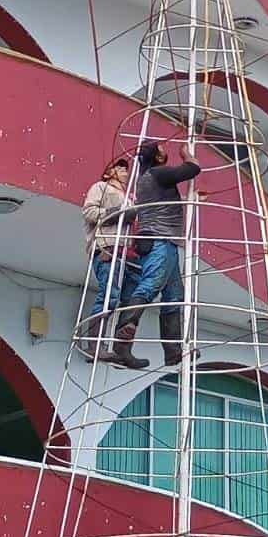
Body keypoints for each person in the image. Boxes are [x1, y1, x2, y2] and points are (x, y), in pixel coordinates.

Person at [109, 139, 201, 368]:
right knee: (150, 285)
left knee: (174, 294)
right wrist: (186, 154)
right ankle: (123, 337)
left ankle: (173, 351)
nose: (165, 152)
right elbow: (193, 169)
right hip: (160, 240)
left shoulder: (145, 179)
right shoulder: (158, 174)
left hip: (158, 240)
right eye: (162, 149)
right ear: (158, 157)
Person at [79, 158, 146, 367]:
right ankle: (95, 344)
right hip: (108, 248)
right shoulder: (101, 187)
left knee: (130, 300)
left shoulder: (130, 198)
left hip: (128, 253)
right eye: (120, 168)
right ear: (109, 172)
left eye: (126, 169)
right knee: (110, 296)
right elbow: (89, 212)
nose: (125, 172)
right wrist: (117, 214)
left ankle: (122, 348)